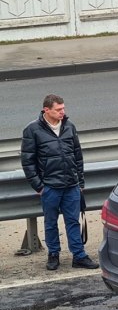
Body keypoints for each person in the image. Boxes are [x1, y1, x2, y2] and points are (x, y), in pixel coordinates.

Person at [21, 94, 99, 271]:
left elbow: (77, 156)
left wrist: (80, 182)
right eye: (58, 109)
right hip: (50, 187)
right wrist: (39, 186)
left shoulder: (69, 126)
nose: (63, 112)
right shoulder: (32, 130)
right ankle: (53, 254)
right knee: (50, 222)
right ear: (46, 110)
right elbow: (27, 161)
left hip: (71, 185)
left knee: (73, 221)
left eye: (63, 108)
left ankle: (79, 255)